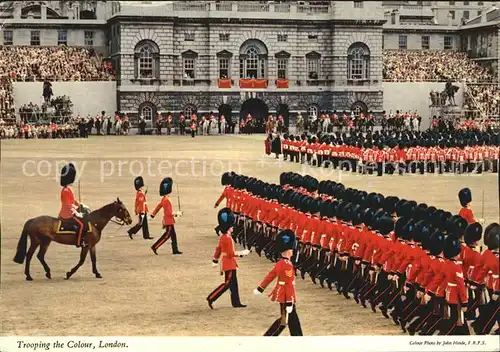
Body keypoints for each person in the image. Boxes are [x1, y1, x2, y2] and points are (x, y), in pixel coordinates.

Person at [253, 229, 303, 336]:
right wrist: (289, 301)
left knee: (291, 320)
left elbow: (269, 276)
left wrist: (260, 288)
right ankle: (269, 337)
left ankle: (298, 337)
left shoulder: (280, 263)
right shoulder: (288, 265)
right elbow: (289, 285)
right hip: (286, 295)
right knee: (284, 321)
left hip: (281, 294)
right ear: (288, 251)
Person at [206, 208, 250, 309]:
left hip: (228, 263)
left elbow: (218, 249)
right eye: (231, 227)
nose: (232, 228)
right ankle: (211, 297)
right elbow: (230, 253)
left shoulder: (223, 237)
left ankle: (236, 302)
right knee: (227, 284)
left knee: (234, 285)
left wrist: (215, 260)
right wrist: (242, 253)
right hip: (229, 264)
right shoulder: (228, 238)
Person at [150, 177, 183, 255]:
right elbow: (169, 213)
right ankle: (155, 246)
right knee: (166, 236)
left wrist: (153, 214)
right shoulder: (166, 200)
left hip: (169, 220)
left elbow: (158, 207)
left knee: (173, 236)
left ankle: (175, 250)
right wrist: (177, 213)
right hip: (169, 221)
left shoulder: (164, 199)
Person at [59, 163, 86, 248]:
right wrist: (77, 213)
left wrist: (80, 204)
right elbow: (68, 206)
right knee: (82, 225)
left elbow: (72, 201)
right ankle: (79, 242)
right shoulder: (66, 191)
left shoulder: (67, 189)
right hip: (66, 214)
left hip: (69, 211)